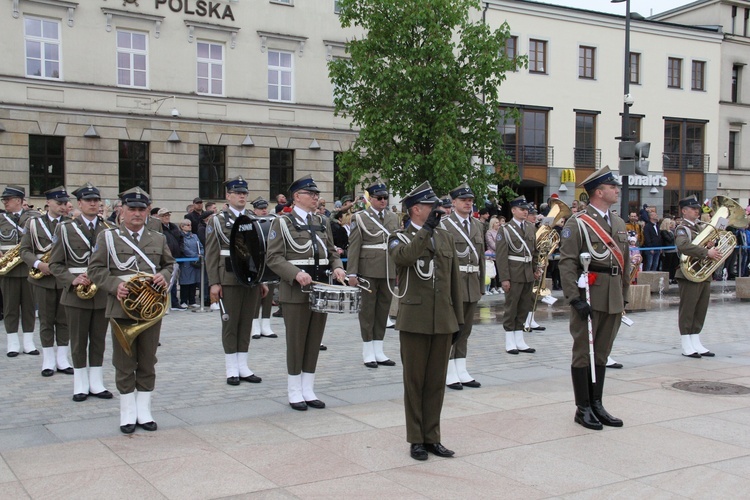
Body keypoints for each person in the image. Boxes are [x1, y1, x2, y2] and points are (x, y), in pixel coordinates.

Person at [88, 187, 175, 434]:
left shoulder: (158, 238)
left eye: (141, 209)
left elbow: (170, 265)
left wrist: (164, 276)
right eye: (131, 209)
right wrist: (116, 285)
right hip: (121, 307)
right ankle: (127, 412)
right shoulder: (107, 237)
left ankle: (144, 410)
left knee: (148, 359)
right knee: (124, 361)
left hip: (151, 310)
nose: (136, 214)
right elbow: (94, 270)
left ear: (148, 211)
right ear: (122, 211)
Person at [388, 181, 462, 461]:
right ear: (416, 209)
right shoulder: (399, 236)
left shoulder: (444, 237)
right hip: (414, 319)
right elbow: (405, 258)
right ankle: (416, 439)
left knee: (436, 382)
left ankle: (433, 437)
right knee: (415, 382)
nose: (436, 210)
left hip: (442, 319)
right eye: (430, 206)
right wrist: (427, 229)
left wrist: (459, 319)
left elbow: (453, 277)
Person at [266, 175, 346, 411]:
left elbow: (331, 252)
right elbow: (274, 257)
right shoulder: (282, 223)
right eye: (310, 194)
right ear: (297, 197)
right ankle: (294, 390)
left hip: (320, 289)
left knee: (314, 340)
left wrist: (338, 266)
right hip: (296, 291)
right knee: (296, 341)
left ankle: (308, 388)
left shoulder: (322, 222)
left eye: (316, 194)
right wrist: (295, 273)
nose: (315, 198)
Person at [559, 166, 629, 431]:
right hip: (589, 295)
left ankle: (597, 404)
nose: (616, 190)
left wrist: (625, 296)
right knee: (583, 352)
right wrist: (573, 298)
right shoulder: (577, 223)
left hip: (612, 296)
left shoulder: (618, 222)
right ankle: (583, 407)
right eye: (612, 187)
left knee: (602, 352)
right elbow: (567, 264)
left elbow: (624, 266)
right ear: (599, 192)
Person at [49, 183, 114, 401]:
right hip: (76, 292)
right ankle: (80, 384)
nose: (93, 204)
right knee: (77, 340)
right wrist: (71, 278)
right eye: (88, 200)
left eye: (96, 200)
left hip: (101, 292)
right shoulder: (65, 229)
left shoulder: (108, 228)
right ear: (79, 203)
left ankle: (96, 382)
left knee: (98, 340)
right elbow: (55, 264)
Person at [206, 176, 266, 386]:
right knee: (231, 323)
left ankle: (243, 365)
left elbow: (259, 251)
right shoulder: (217, 220)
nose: (242, 196)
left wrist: (262, 279)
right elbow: (211, 254)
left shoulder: (252, 218)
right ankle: (231, 367)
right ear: (228, 196)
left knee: (246, 321)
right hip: (229, 277)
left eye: (244, 193)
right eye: (237, 193)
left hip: (250, 276)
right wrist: (214, 282)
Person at [19, 186, 74, 377]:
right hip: (42, 278)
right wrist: (38, 264)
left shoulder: (71, 224)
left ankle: (62, 358)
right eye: (58, 203)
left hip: (64, 278)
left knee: (64, 319)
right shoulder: (33, 224)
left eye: (64, 203)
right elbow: (24, 250)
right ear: (48, 202)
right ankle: (48, 360)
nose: (62, 207)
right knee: (46, 319)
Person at [346, 181, 399, 369]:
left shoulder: (393, 218)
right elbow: (354, 246)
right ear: (371, 199)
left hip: (388, 269)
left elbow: (397, 243)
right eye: (379, 198)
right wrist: (351, 272)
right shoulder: (360, 218)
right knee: (368, 311)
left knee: (383, 310)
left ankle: (379, 349)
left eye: (385, 198)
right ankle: (368, 350)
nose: (383, 201)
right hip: (368, 269)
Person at [441, 183, 485, 390]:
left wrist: (482, 284)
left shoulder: (477, 225)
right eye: (463, 200)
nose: (468, 203)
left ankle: (462, 368)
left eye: (470, 200)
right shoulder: (445, 225)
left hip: (472, 283)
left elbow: (481, 258)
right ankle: (449, 371)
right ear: (454, 202)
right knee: (452, 329)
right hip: (454, 284)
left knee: (466, 330)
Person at [674, 195, 719, 358]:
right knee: (688, 308)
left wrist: (709, 246)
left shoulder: (701, 227)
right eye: (693, 209)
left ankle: (695, 339)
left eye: (697, 209)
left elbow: (699, 246)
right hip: (688, 273)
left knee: (700, 308)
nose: (697, 211)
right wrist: (706, 251)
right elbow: (683, 245)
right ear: (684, 211)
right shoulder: (682, 228)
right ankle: (686, 342)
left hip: (703, 273)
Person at [496, 196, 541, 355]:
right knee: (511, 307)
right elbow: (501, 257)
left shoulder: (530, 228)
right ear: (513, 210)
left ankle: (519, 338)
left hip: (527, 272)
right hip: (513, 274)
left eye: (526, 209)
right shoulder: (505, 229)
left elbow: (534, 251)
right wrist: (504, 278)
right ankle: (510, 340)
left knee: (524, 306)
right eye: (522, 209)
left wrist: (536, 269)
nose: (525, 212)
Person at [0, 186, 40, 357]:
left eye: (7, 200)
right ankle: (12, 342)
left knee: (29, 307)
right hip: (8, 271)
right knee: (10, 307)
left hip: (28, 268)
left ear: (18, 200)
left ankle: (29, 342)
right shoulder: (1, 219)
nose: (4, 203)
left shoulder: (33, 219)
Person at [250, 196, 277, 339]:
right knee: (255, 296)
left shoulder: (272, 221)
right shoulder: (250, 222)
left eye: (265, 208)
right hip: (255, 263)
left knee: (269, 295)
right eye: (260, 209)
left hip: (269, 261)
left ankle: (266, 324)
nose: (264, 211)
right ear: (254, 210)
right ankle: (254, 325)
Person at [157, 208, 184, 310]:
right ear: (159, 217)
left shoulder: (173, 227)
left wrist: (180, 250)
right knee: (165, 280)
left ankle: (174, 302)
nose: (167, 217)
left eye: (168, 215)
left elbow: (180, 239)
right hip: (165, 258)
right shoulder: (159, 228)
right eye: (164, 215)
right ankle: (165, 303)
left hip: (176, 257)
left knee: (174, 281)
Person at [178, 219, 202, 308]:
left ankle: (192, 300)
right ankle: (183, 300)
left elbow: (200, 246)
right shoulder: (180, 236)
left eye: (190, 224)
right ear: (182, 226)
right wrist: (194, 255)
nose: (190, 226)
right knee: (185, 282)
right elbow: (184, 248)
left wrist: (201, 253)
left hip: (195, 262)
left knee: (194, 281)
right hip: (186, 262)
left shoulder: (194, 236)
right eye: (187, 225)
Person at [485, 216, 501, 294]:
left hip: (500, 255)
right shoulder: (489, 232)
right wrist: (501, 247)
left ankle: (499, 286)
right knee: (492, 272)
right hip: (492, 255)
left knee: (499, 271)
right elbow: (491, 243)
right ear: (492, 224)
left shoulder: (501, 232)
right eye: (496, 222)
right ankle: (492, 287)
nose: (499, 224)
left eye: (498, 222)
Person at [660, 218, 678, 283]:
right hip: (668, 250)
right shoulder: (664, 231)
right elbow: (669, 239)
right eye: (670, 223)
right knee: (667, 265)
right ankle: (668, 278)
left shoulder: (671, 231)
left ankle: (673, 277)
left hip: (674, 249)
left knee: (674, 265)